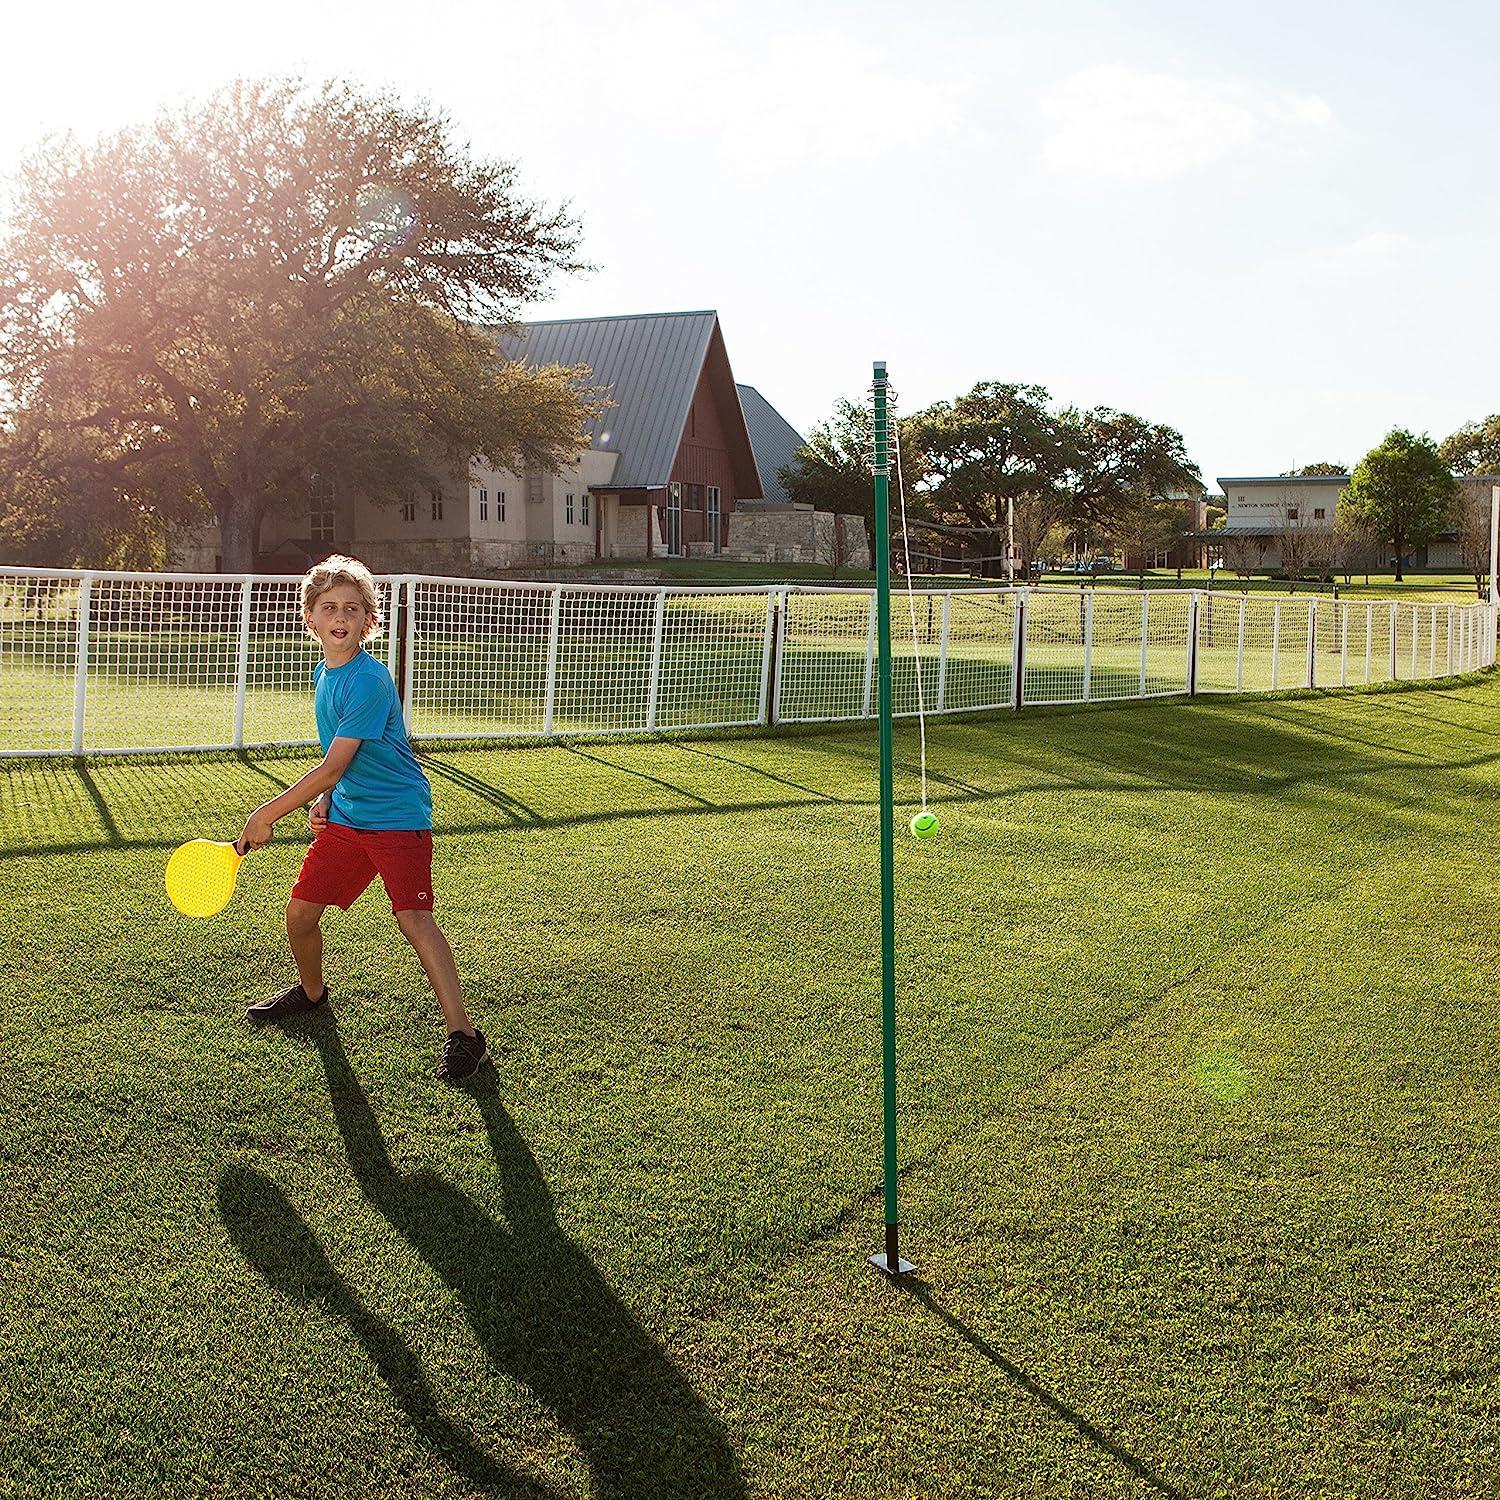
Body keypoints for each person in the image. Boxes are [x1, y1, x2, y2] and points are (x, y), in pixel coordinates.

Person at [236, 554, 487, 1082]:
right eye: (329, 607)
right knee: (301, 913)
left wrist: (268, 814)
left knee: (414, 920)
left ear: (369, 619)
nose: (341, 616)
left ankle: (465, 1037)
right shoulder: (324, 673)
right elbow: (336, 757)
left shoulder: (371, 681)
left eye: (353, 608)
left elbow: (330, 767)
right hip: (348, 816)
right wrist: (326, 800)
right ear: (310, 617)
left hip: (397, 817)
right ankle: (311, 994)